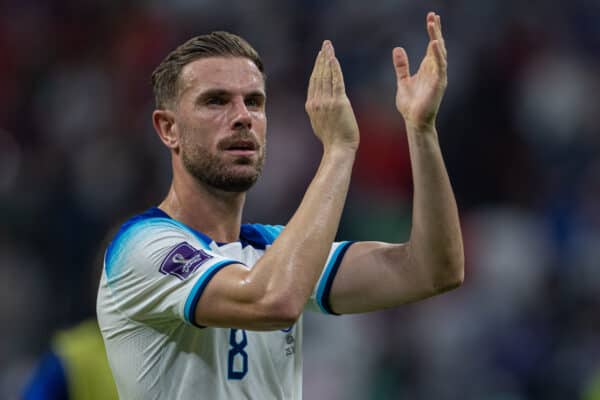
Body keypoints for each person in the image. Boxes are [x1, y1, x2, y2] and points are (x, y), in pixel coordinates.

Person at [97, 11, 463, 399]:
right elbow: (274, 300)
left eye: (254, 102)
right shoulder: (141, 248)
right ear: (169, 129)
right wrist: (339, 150)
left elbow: (433, 269)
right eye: (216, 101)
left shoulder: (274, 251)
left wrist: (421, 131)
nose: (242, 117)